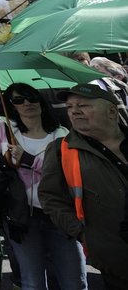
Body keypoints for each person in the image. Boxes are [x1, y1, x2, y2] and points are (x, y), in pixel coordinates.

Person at [0, 83, 86, 290]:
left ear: (41, 101)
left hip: (60, 215)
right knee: (32, 282)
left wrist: (29, 160)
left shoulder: (61, 134)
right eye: (18, 100)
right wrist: (3, 162)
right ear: (11, 106)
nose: (27, 103)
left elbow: (66, 173)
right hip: (21, 218)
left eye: (31, 97)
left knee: (74, 281)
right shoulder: (3, 129)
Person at [41, 83, 128, 288]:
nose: (74, 111)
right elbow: (50, 198)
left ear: (112, 111)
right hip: (114, 257)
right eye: (70, 107)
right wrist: (83, 234)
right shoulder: (61, 150)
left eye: (84, 105)